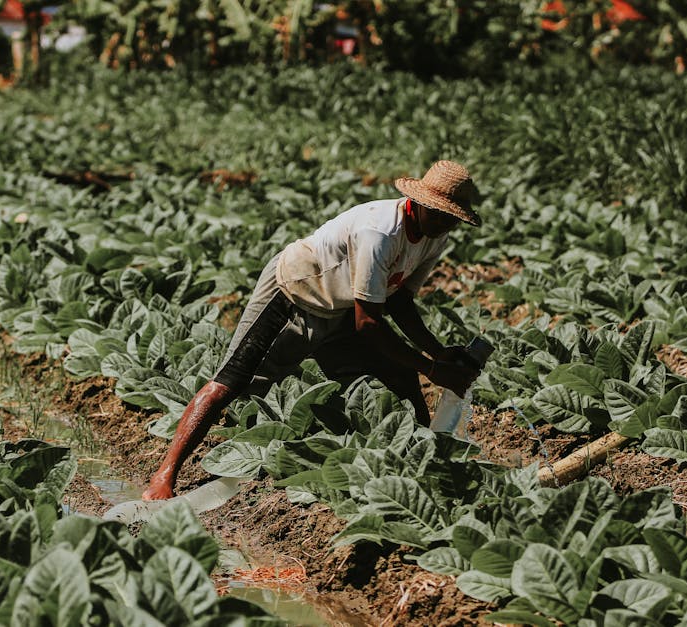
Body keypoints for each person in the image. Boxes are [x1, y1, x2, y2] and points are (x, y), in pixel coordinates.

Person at [142, 160, 483, 500]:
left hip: (342, 306)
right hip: (294, 291)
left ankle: (426, 460)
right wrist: (432, 369)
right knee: (230, 383)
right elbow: (369, 324)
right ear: (418, 203)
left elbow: (400, 301)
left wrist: (436, 354)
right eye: (437, 213)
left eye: (451, 217)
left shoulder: (434, 236)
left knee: (401, 375)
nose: (443, 223)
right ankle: (163, 476)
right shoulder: (379, 232)